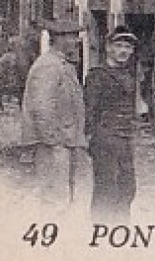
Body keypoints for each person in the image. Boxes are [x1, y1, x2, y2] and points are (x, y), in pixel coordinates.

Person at [21, 18, 86, 210]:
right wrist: (54, 141)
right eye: (73, 36)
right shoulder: (49, 66)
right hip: (54, 146)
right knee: (54, 200)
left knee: (63, 197)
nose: (76, 41)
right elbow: (41, 107)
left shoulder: (63, 64)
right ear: (59, 38)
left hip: (64, 143)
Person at [84, 26, 140, 222]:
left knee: (127, 189)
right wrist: (93, 139)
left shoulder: (128, 75)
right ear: (108, 48)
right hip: (105, 139)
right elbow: (90, 111)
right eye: (119, 45)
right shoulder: (98, 75)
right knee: (106, 190)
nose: (124, 51)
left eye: (128, 47)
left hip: (125, 139)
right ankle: (101, 231)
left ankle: (121, 230)